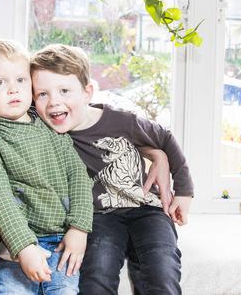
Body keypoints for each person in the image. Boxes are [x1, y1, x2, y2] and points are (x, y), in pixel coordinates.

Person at [30, 44, 194, 295]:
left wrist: (184, 191)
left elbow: (165, 139)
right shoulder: (45, 132)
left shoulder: (122, 121)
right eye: (42, 94)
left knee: (161, 270)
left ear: (87, 92)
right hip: (99, 218)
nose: (54, 102)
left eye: (65, 90)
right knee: (96, 276)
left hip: (146, 209)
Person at [0, 40, 93, 295]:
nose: (13, 89)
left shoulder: (50, 127)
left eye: (21, 81)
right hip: (16, 242)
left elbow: (79, 178)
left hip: (60, 239)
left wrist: (79, 228)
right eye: (0, 83)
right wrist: (24, 247)